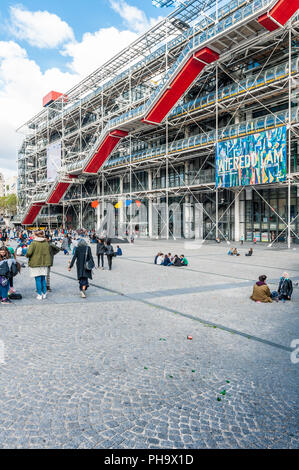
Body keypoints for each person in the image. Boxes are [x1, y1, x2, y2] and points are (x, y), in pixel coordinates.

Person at [26, 230, 52, 300]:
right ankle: (44, 293)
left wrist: (27, 254)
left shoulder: (33, 243)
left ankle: (39, 294)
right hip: (44, 263)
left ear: (36, 235)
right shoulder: (46, 243)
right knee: (43, 279)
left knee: (38, 279)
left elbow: (29, 253)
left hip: (35, 263)